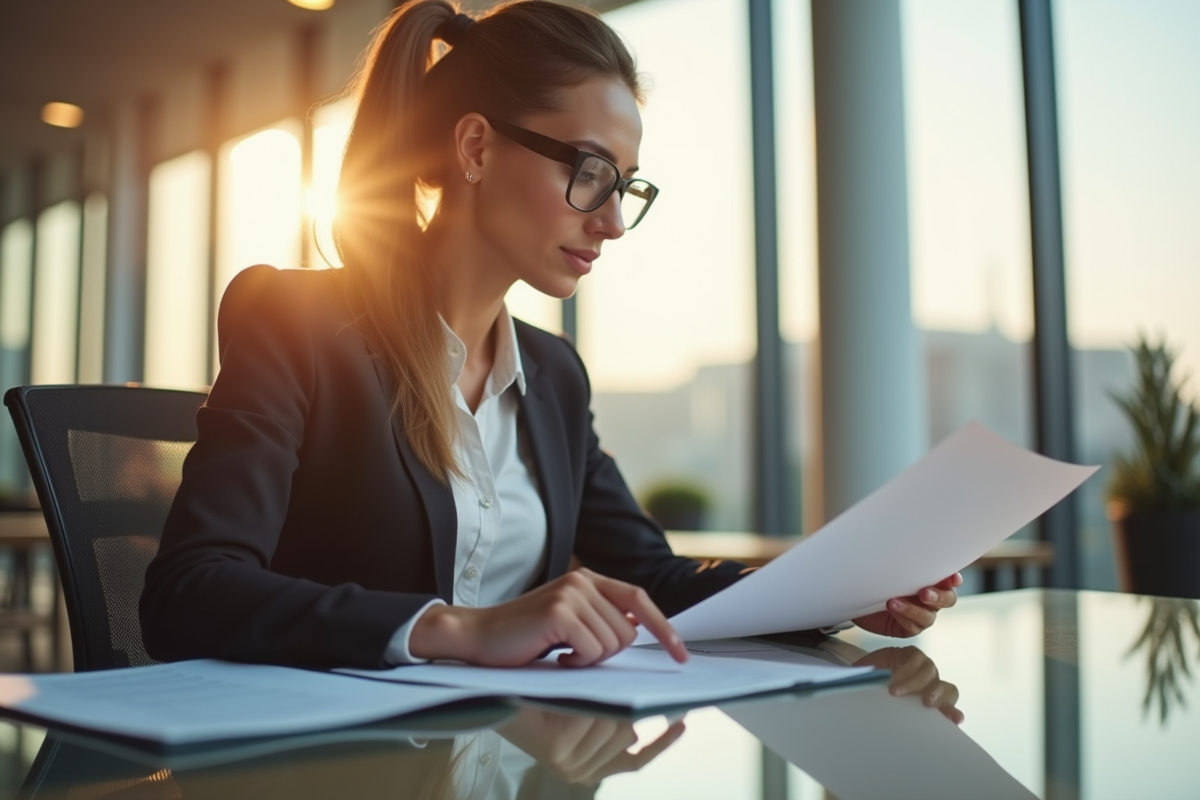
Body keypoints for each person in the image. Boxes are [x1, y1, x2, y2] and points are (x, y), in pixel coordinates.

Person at [139, 0, 960, 671]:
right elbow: (190, 591)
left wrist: (839, 593)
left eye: (625, 186)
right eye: (589, 172)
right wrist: (459, 629)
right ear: (475, 147)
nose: (613, 221)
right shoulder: (297, 322)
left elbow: (651, 576)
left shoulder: (554, 374)